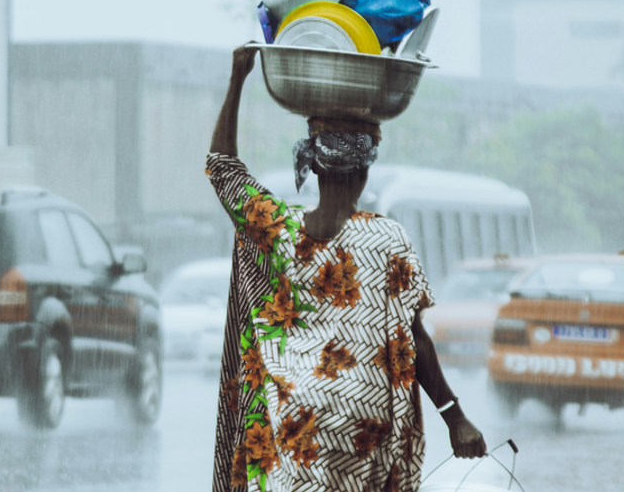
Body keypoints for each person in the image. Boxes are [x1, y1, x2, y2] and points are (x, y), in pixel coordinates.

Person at [207, 44, 485, 492]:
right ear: (364, 173)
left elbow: (222, 169)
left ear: (313, 168)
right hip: (363, 437)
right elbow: (413, 341)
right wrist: (455, 416)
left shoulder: (279, 231)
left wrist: (238, 77)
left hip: (298, 434)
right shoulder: (387, 239)